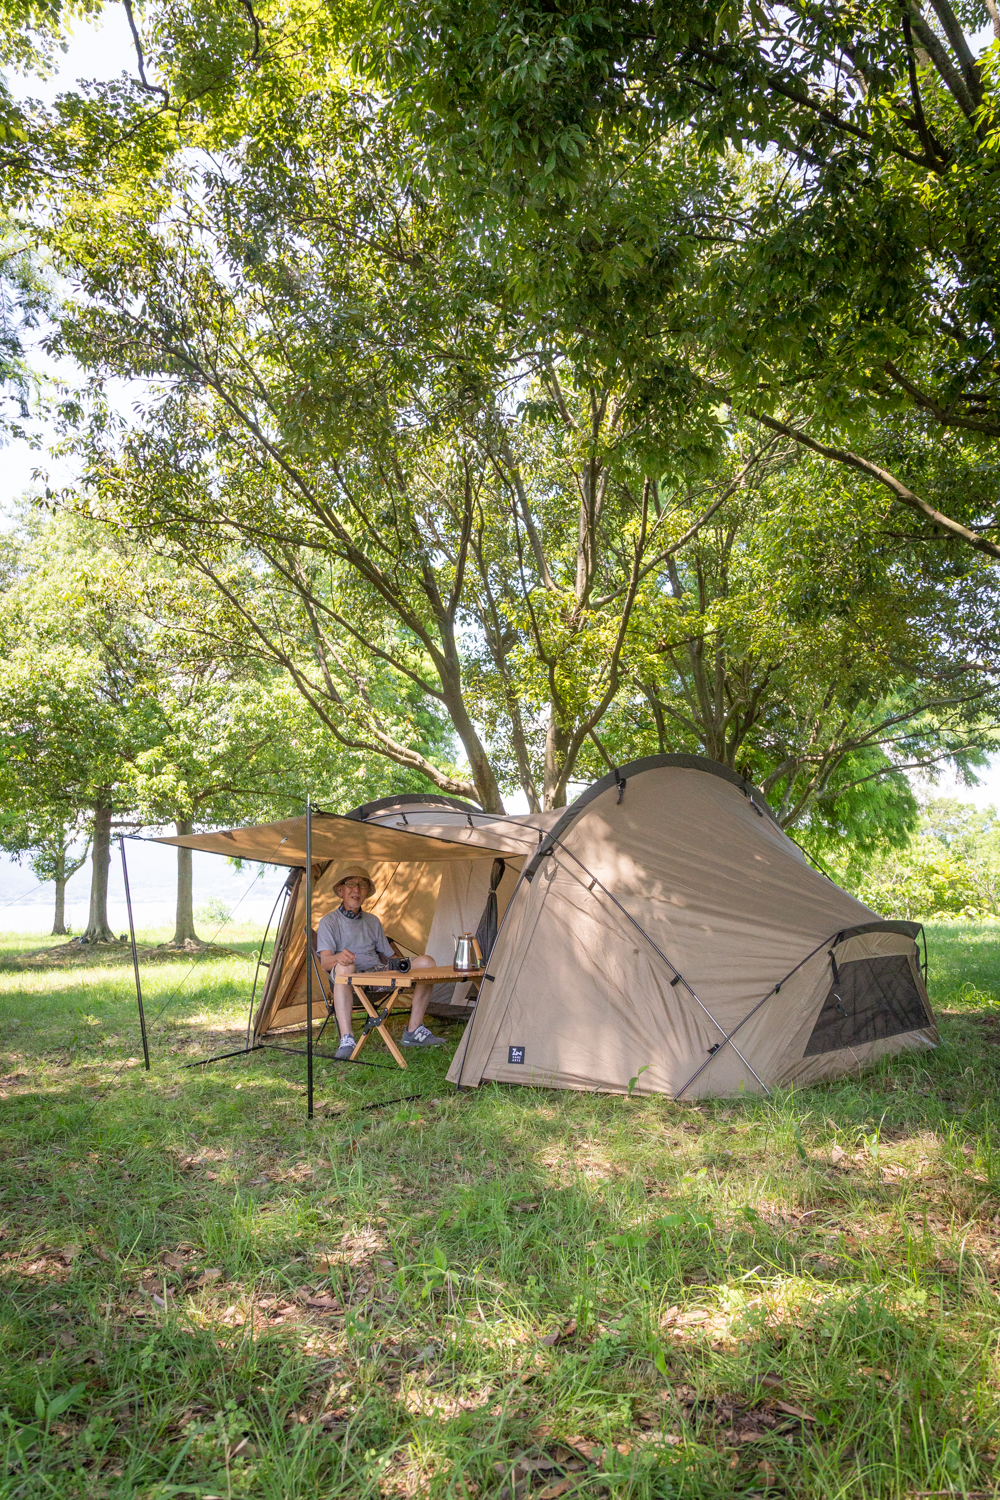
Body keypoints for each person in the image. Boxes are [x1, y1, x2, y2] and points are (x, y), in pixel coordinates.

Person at [316, 866, 447, 1061]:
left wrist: (402, 965)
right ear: (340, 891)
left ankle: (414, 1031)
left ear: (367, 892)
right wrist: (338, 958)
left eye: (362, 885)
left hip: (376, 972)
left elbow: (390, 956)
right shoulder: (329, 922)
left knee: (427, 962)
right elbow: (326, 962)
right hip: (349, 976)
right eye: (350, 884)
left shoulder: (372, 921)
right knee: (345, 967)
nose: (356, 890)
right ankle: (347, 1038)